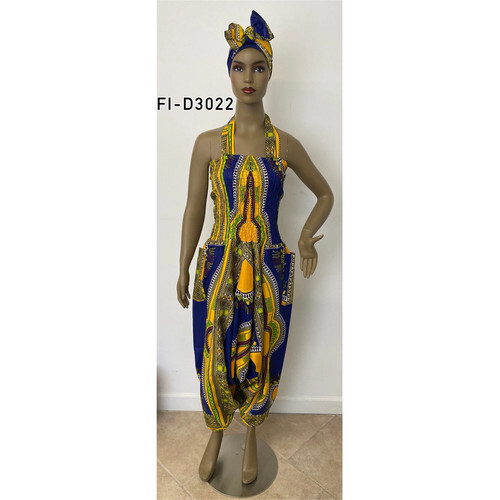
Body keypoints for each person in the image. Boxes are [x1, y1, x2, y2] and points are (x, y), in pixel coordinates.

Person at [176, 11, 334, 485]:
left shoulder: (284, 146)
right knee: (214, 355)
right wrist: (183, 266)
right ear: (229, 73)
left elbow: (325, 194)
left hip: (268, 270)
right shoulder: (207, 144)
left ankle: (250, 435)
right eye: (239, 67)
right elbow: (193, 209)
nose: (249, 77)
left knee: (261, 355)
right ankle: (215, 432)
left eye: (258, 67)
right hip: (217, 268)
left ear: (270, 73)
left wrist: (305, 236)